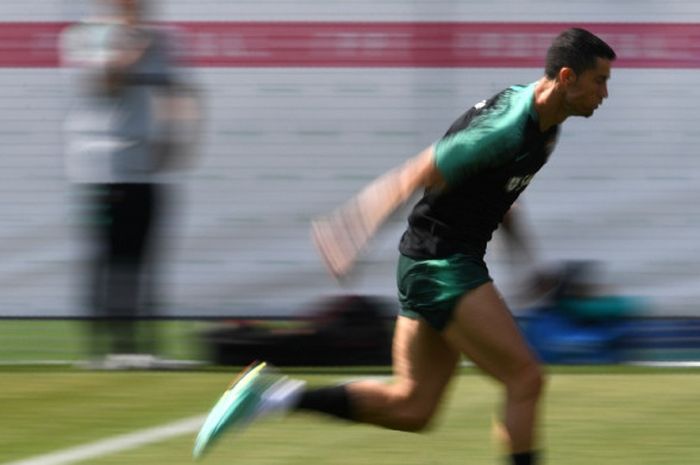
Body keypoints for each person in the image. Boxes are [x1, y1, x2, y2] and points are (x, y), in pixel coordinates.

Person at [196, 28, 616, 465]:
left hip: (433, 262)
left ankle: (274, 398)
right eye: (600, 80)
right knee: (525, 379)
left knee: (413, 406)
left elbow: (498, 194)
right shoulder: (507, 129)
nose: (605, 93)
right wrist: (352, 227)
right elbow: (416, 172)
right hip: (441, 265)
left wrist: (525, 262)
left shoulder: (546, 127)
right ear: (567, 77)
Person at [60, 0, 199, 368]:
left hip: (144, 168)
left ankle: (144, 347)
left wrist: (175, 142)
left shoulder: (159, 40)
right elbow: (106, 83)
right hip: (100, 171)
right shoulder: (83, 36)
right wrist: (128, 43)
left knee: (144, 257)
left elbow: (176, 92)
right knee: (108, 258)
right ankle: (105, 349)